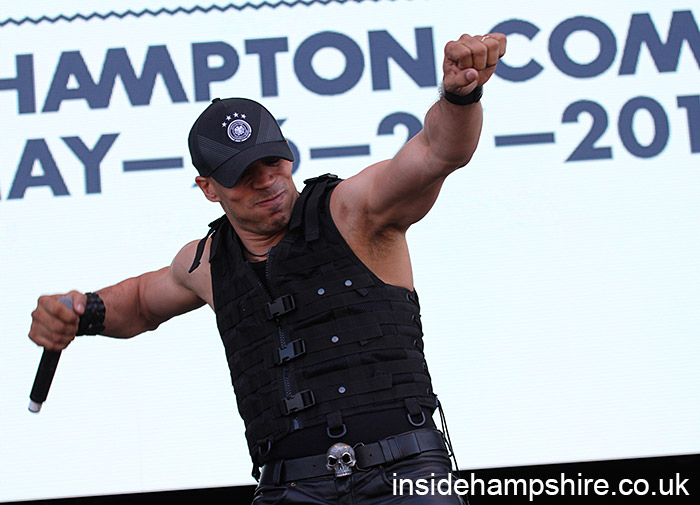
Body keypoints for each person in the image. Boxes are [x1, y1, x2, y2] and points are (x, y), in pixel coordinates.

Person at [29, 32, 506, 504]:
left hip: (405, 474)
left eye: (272, 162)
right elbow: (137, 304)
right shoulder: (206, 261)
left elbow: (437, 152)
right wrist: (78, 311)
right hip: (289, 488)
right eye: (243, 175)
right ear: (208, 187)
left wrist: (459, 96)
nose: (266, 182)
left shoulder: (352, 211)